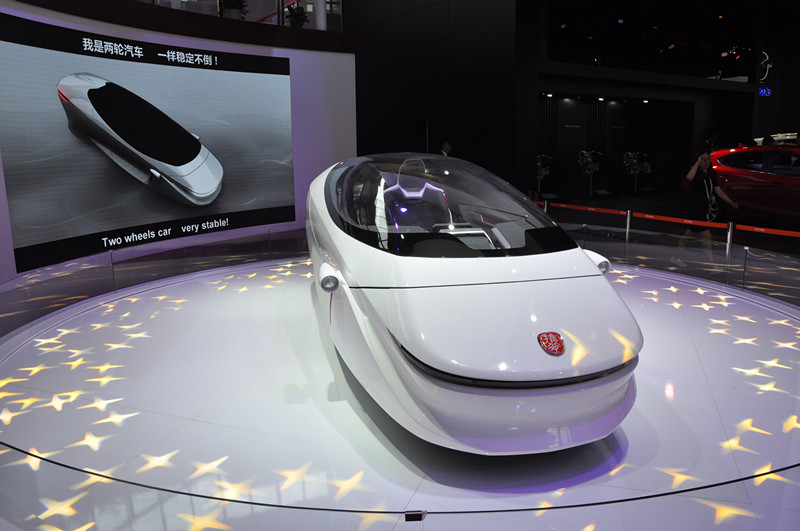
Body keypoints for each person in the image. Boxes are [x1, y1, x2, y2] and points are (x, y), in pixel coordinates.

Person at [671, 152, 738, 271]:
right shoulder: (695, 172)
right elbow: (689, 178)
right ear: (698, 160)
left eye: (707, 159)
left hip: (704, 209)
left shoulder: (711, 174)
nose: (705, 162)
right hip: (694, 209)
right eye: (702, 159)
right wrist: (697, 163)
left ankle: (675, 257)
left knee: (688, 236)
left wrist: (730, 202)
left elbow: (718, 190)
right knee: (706, 236)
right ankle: (712, 266)